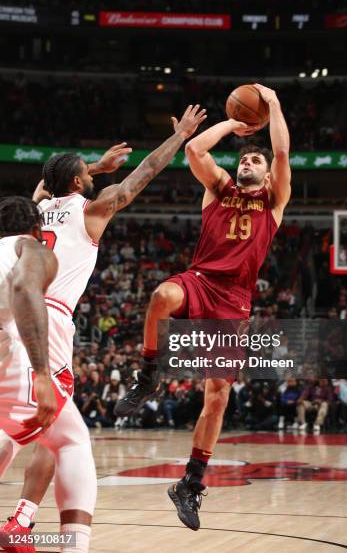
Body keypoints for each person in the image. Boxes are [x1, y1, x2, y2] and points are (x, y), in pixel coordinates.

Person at [0, 104, 206, 551]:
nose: (94, 178)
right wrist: (182, 136)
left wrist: (90, 165)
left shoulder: (37, 206)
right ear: (78, 184)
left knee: (31, 424)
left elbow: (45, 182)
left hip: (7, 309)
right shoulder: (92, 210)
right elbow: (146, 172)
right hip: (45, 319)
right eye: (87, 175)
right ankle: (26, 524)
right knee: (57, 433)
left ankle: (23, 522)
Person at [116, 83, 291, 530]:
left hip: (234, 300)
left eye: (257, 160)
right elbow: (194, 148)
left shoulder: (272, 202)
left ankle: (190, 484)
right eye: (245, 157)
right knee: (160, 297)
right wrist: (234, 123)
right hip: (201, 279)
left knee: (217, 398)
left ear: (268, 176)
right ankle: (149, 374)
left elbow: (283, 155)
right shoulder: (218, 187)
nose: (249, 161)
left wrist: (271, 104)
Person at [0, 196, 96, 553]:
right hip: (26, 341)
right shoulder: (32, 248)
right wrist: (42, 374)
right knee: (69, 439)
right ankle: (67, 544)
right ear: (38, 229)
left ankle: (21, 524)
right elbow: (26, 290)